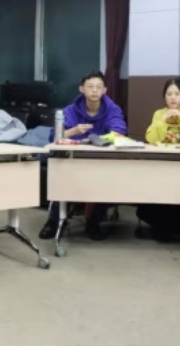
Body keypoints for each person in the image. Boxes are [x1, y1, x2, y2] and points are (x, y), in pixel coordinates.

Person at [43, 71, 129, 241]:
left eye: (98, 87)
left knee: (107, 177)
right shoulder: (70, 110)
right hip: (73, 161)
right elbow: (54, 136)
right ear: (81, 89)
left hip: (101, 162)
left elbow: (119, 132)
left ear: (104, 90)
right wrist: (73, 131)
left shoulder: (113, 109)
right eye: (90, 86)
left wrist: (98, 139)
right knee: (58, 172)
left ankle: (93, 222)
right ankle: (54, 220)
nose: (94, 90)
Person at [137, 78, 180, 242]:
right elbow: (151, 139)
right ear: (164, 96)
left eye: (176, 94)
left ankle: (169, 228)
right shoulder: (159, 114)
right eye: (169, 94)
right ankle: (163, 228)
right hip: (162, 164)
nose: (173, 98)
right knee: (157, 187)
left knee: (177, 190)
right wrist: (163, 121)